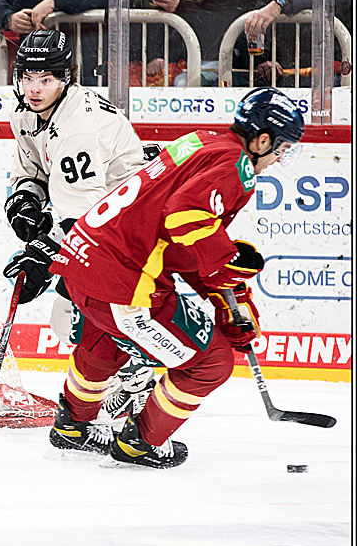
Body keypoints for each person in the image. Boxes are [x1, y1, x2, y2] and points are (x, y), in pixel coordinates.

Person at [48, 87, 306, 468]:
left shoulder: (202, 142)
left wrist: (225, 294)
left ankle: (74, 423)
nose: (279, 157)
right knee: (211, 362)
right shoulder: (238, 168)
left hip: (83, 260)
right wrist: (226, 265)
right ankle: (141, 442)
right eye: (281, 147)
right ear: (263, 139)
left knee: (107, 341)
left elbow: (176, 237)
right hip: (123, 281)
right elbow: (184, 219)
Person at [0, 29, 158, 428]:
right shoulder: (26, 111)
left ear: (65, 78)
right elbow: (34, 169)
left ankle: (136, 373)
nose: (34, 89)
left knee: (81, 309)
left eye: (46, 80)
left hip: (129, 223)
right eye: (27, 78)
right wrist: (25, 199)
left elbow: (85, 223)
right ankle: (126, 372)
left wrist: (44, 253)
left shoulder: (79, 132)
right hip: (100, 217)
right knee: (71, 314)